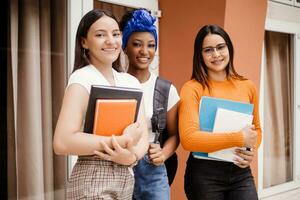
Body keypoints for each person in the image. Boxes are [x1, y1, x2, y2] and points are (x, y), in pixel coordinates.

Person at [52, 9, 148, 199]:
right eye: (100, 35)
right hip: (92, 177)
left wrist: (132, 156)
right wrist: (120, 142)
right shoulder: (82, 79)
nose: (111, 41)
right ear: (84, 42)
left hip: (126, 178)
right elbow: (62, 142)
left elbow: (143, 134)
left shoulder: (130, 82)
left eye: (115, 34)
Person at [179, 24, 262, 200]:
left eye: (220, 47)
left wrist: (251, 150)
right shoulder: (192, 88)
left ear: (229, 48)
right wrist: (239, 138)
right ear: (200, 55)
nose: (216, 55)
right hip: (204, 175)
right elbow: (189, 139)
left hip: (240, 171)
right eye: (208, 50)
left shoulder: (248, 86)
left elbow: (257, 130)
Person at [119, 8, 180, 200]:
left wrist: (163, 153)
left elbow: (175, 135)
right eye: (137, 44)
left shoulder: (165, 89)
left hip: (152, 170)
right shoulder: (114, 84)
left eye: (151, 45)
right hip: (119, 167)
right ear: (124, 46)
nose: (145, 51)